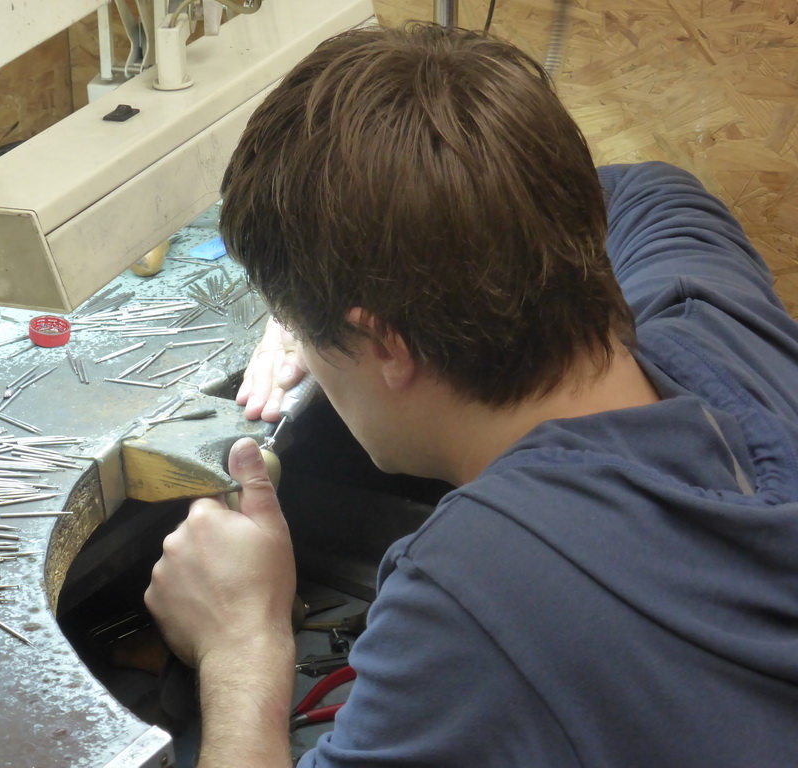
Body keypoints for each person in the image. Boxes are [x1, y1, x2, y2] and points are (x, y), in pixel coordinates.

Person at [144, 22, 798, 767]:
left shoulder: (482, 592)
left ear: (387, 346)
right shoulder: (719, 317)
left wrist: (241, 643)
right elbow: (647, 187)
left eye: (301, 325)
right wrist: (331, 293)